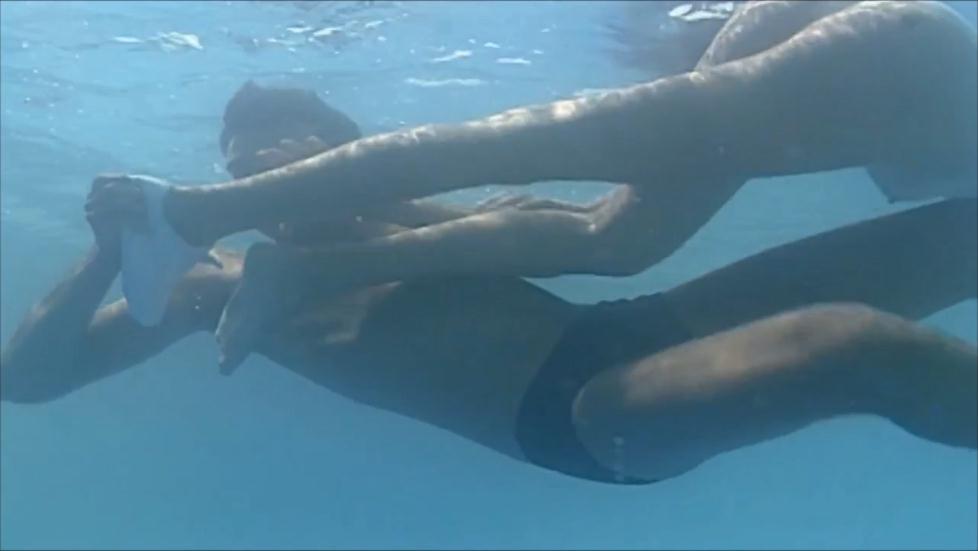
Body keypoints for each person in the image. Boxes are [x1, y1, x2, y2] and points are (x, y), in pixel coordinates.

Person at [2, 83, 975, 485]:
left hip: (632, 327)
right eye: (238, 149)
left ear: (347, 153)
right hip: (584, 414)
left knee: (953, 233)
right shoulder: (210, 287)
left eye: (289, 139)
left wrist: (379, 210)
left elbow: (581, 238)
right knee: (856, 343)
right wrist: (106, 254)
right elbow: (28, 377)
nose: (256, 156)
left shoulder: (430, 213)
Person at [97, 1, 977, 364]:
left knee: (615, 237)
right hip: (896, 58)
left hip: (877, 46)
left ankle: (289, 263)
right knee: (520, 151)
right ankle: (190, 210)